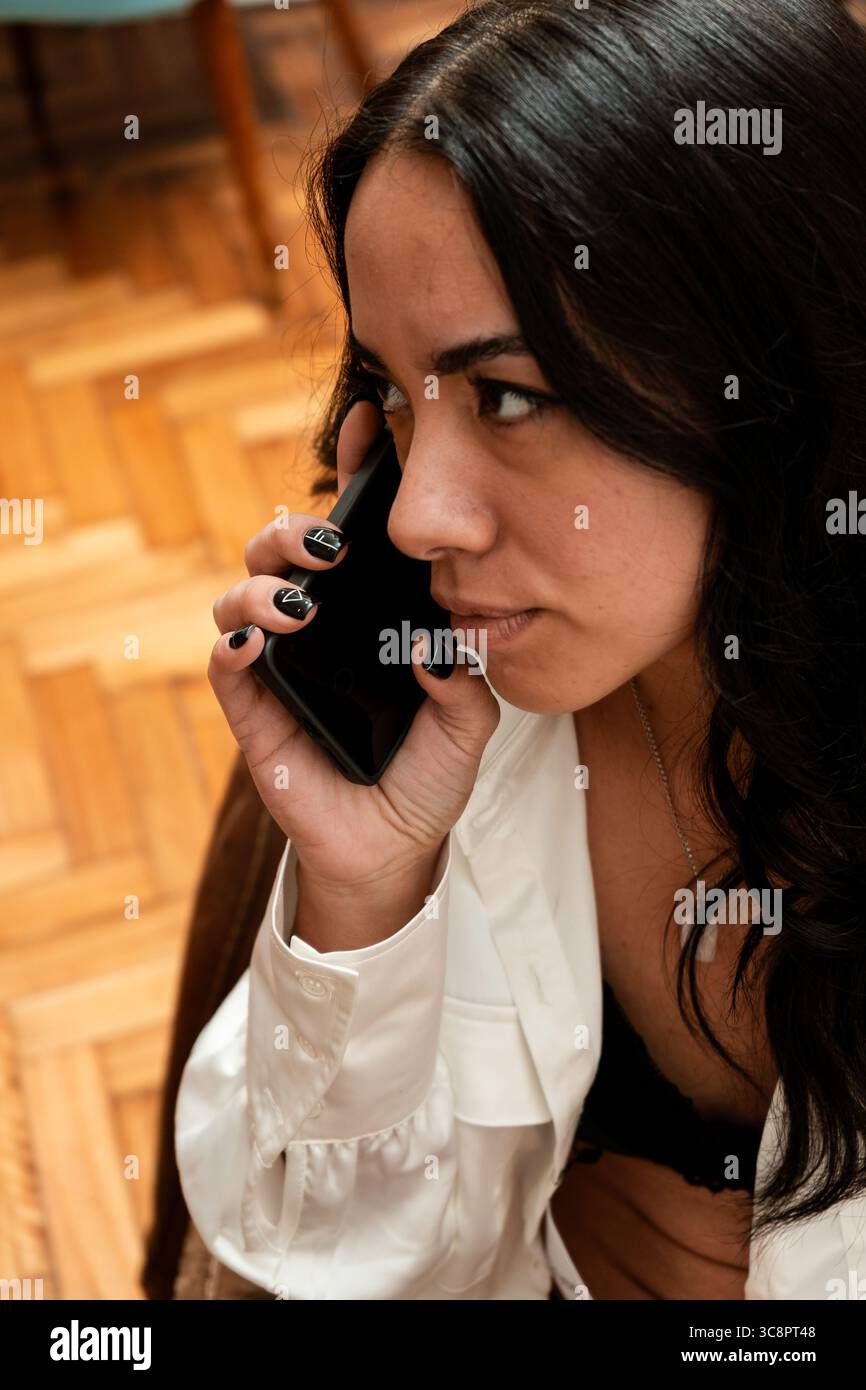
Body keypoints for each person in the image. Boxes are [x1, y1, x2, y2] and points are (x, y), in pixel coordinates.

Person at [171, 0, 866, 1299]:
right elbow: (322, 1259)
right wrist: (364, 892)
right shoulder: (464, 716)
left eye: (509, 395)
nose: (422, 514)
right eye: (393, 389)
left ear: (770, 371)